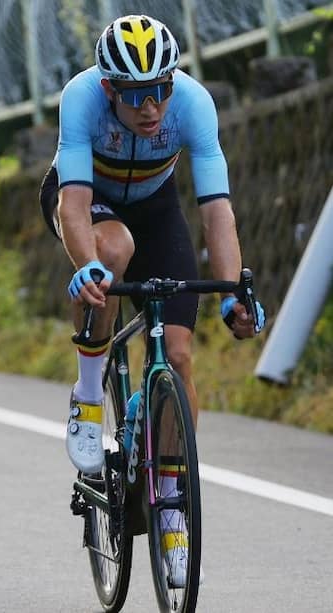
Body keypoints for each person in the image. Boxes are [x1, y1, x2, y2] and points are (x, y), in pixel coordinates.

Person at [39, 15, 265, 585]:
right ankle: (88, 395)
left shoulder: (192, 103)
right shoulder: (81, 98)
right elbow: (72, 203)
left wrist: (234, 291)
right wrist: (87, 266)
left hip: (156, 208)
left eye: (160, 89)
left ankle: (170, 507)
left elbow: (216, 209)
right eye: (136, 94)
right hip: (88, 202)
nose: (151, 107)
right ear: (109, 88)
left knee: (180, 357)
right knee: (113, 248)